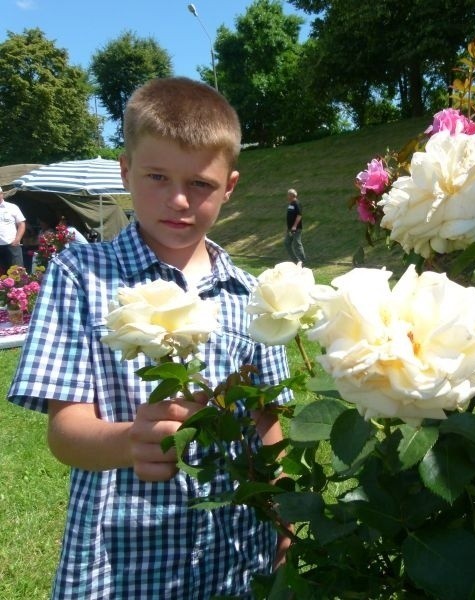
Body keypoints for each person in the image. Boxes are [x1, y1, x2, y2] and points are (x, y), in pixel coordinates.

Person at [8, 77, 292, 599]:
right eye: (157, 176)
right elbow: (65, 431)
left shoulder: (251, 296)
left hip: (234, 554)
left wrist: (283, 523)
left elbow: (266, 422)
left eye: (201, 184)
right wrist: (128, 441)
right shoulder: (83, 275)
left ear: (229, 187)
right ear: (126, 171)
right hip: (122, 562)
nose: (178, 199)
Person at [0, 185, 26, 274]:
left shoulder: (12, 207)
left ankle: (18, 287)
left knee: (17, 272)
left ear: (2, 194)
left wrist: (17, 239)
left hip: (12, 244)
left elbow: (21, 224)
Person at [284, 188, 306, 264]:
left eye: (288, 195)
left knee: (297, 244)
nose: (287, 196)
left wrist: (294, 226)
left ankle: (302, 261)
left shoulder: (297, 203)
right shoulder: (291, 204)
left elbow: (299, 215)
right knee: (287, 243)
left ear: (292, 195)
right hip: (290, 229)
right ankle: (296, 261)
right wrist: (288, 227)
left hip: (296, 228)